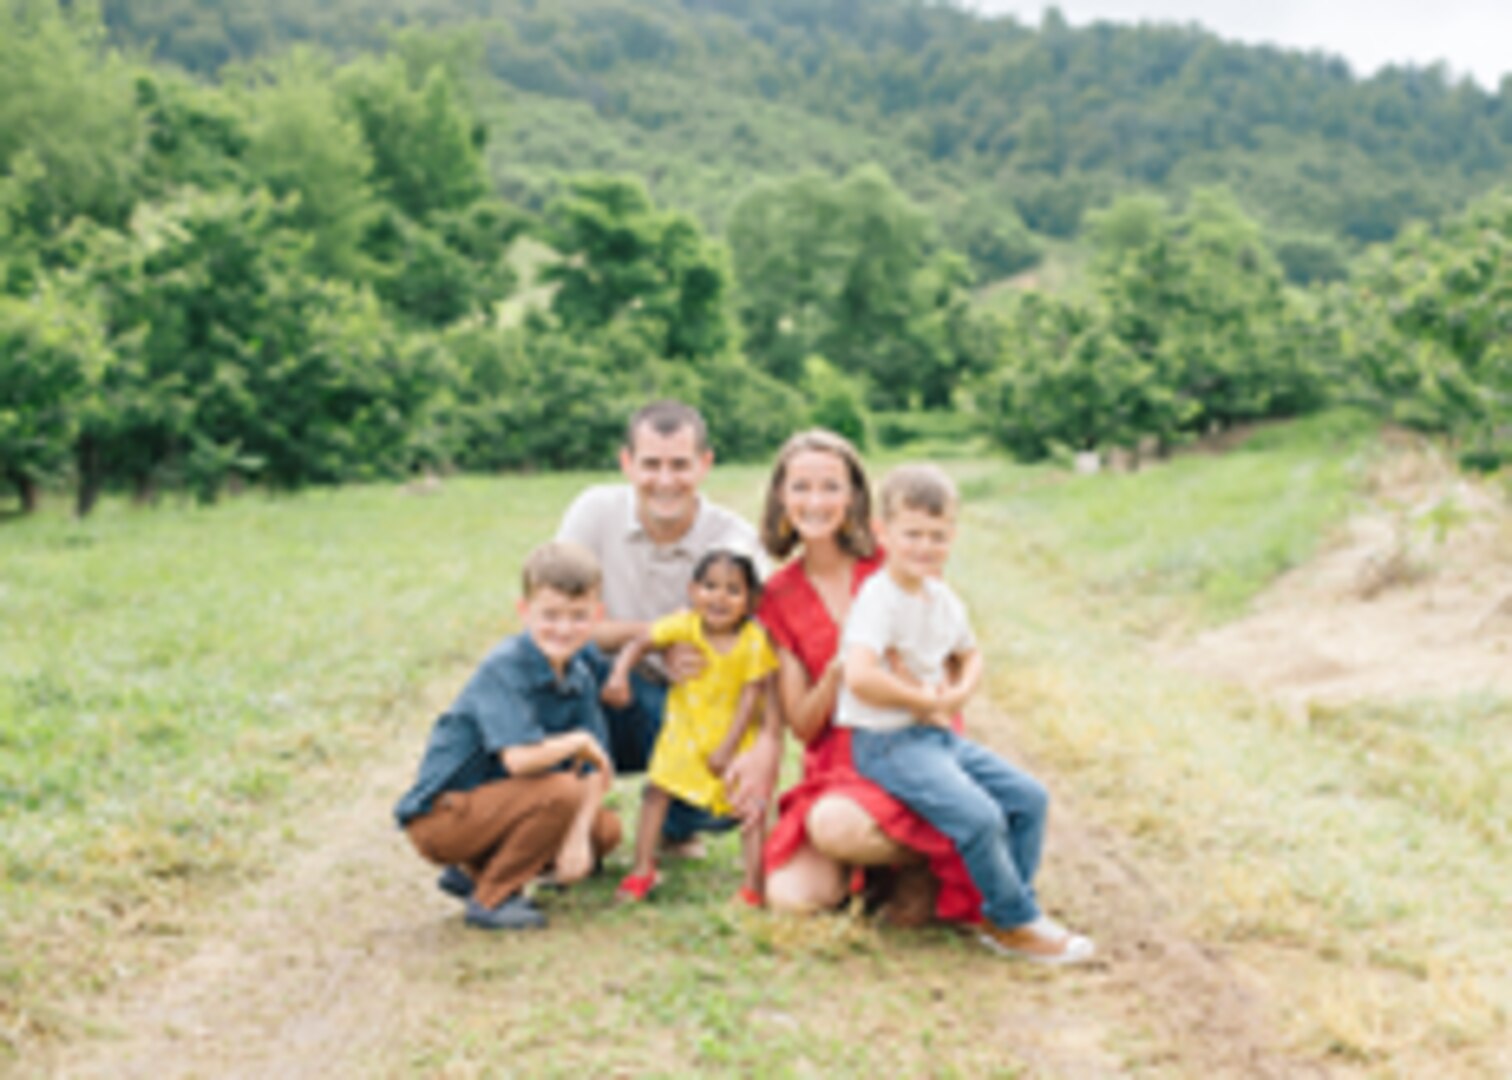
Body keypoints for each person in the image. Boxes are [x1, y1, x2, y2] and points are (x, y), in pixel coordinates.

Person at [838, 464, 1094, 964]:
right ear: (882, 532)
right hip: (886, 743)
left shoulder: (941, 597)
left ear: (952, 536)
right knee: (979, 817)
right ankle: (1019, 922)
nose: (925, 547)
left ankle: (1004, 915)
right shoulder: (878, 597)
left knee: (1028, 799)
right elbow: (860, 675)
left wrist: (954, 698)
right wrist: (927, 703)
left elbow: (972, 654)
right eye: (912, 534)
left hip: (934, 738)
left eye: (937, 536)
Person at [755, 431, 981, 925]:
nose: (815, 502)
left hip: (907, 744)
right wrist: (840, 671)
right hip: (837, 763)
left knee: (838, 828)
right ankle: (896, 863)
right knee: (793, 897)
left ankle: (928, 862)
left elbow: (949, 658)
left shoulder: (894, 561)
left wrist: (947, 696)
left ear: (855, 497)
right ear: (780, 496)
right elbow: (804, 725)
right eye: (800, 487)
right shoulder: (777, 595)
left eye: (831, 487)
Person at [557, 400, 777, 847]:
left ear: (704, 465)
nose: (665, 480)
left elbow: (755, 655)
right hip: (605, 687)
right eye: (650, 464)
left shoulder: (736, 544)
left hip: (687, 703)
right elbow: (559, 624)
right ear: (626, 463)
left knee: (712, 810)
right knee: (564, 661)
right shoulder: (593, 512)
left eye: (680, 465)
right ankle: (566, 810)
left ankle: (674, 822)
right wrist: (656, 637)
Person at [393, 541, 622, 931]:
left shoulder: (579, 675)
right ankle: (491, 897)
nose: (563, 628)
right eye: (550, 615)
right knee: (561, 793)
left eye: (578, 616)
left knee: (605, 830)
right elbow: (520, 759)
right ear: (524, 611)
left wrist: (578, 837)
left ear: (597, 615)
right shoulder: (504, 667)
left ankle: (474, 870)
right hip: (443, 817)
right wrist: (578, 742)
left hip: (499, 806)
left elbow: (596, 771)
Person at [604, 549, 778, 905]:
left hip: (730, 737)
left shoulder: (753, 642)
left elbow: (751, 698)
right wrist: (620, 674)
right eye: (710, 586)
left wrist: (728, 748)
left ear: (751, 601)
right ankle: (641, 869)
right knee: (656, 793)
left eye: (733, 590)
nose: (719, 597)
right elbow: (640, 643)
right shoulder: (685, 626)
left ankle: (753, 884)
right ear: (692, 590)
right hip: (682, 733)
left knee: (749, 805)